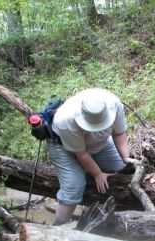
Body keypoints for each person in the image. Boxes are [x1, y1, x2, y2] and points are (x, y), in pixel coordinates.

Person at [48, 88, 134, 225]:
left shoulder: (114, 104)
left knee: (121, 172)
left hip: (100, 142)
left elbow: (118, 133)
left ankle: (104, 218)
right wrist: (97, 173)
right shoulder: (65, 120)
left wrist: (126, 158)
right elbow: (81, 154)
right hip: (63, 148)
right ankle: (58, 230)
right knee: (74, 187)